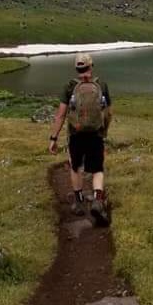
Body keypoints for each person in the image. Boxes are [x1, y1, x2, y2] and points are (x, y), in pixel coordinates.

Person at [49, 52, 112, 226]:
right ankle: (98, 200)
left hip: (76, 134)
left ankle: (78, 201)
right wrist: (104, 131)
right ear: (91, 66)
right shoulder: (101, 85)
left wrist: (53, 138)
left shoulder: (69, 87)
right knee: (97, 168)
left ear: (77, 68)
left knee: (75, 166)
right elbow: (108, 113)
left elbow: (61, 115)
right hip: (95, 134)